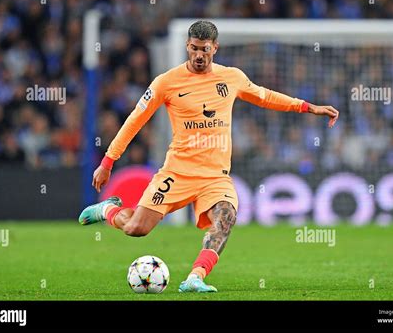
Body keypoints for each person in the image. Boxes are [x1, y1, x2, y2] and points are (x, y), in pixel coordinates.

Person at [78, 20, 339, 293]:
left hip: (215, 177)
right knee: (135, 229)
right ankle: (108, 209)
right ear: (187, 46)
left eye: (204, 49)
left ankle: (195, 277)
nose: (198, 55)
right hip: (176, 173)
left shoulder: (232, 77)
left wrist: (309, 108)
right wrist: (108, 161)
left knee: (226, 218)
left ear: (215, 48)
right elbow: (135, 120)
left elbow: (266, 96)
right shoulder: (166, 82)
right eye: (193, 49)